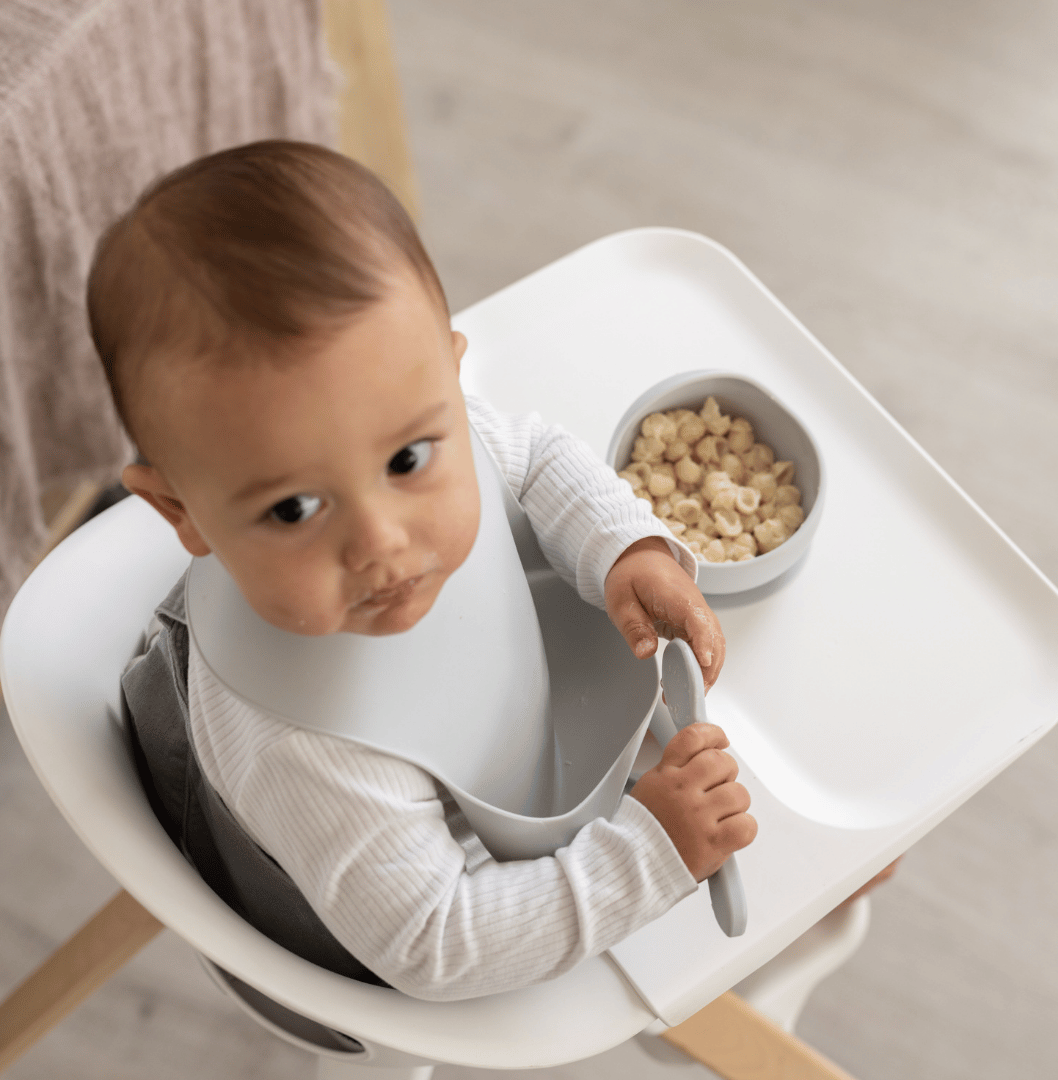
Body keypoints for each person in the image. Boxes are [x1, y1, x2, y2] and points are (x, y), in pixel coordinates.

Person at [87, 140, 757, 1001]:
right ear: (182, 512)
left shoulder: (390, 420)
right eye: (293, 509)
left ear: (449, 366)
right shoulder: (311, 752)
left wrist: (626, 546)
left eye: (407, 459)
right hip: (384, 934)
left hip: (488, 752)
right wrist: (649, 855)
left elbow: (529, 459)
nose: (383, 543)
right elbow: (439, 948)